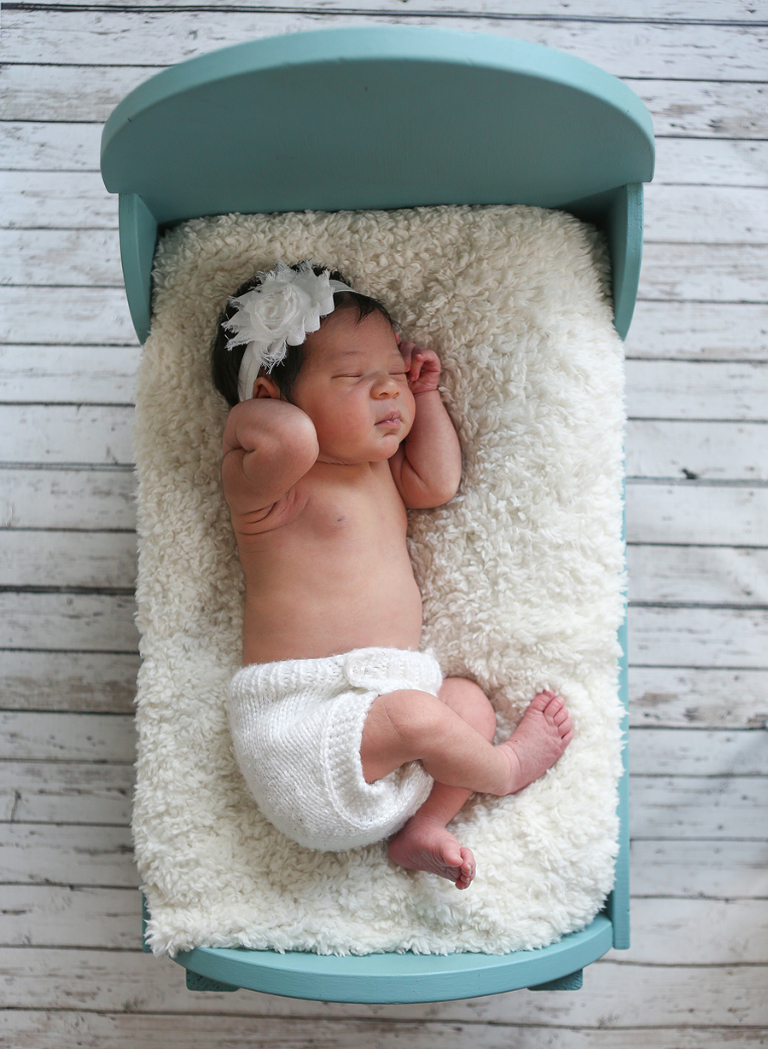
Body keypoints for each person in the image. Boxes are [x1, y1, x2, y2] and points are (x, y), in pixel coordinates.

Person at [212, 261, 573, 889]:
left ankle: (424, 828)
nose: (388, 391)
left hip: (391, 737)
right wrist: (258, 405)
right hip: (304, 731)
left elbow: (438, 482)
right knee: (418, 715)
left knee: (465, 703)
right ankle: (507, 769)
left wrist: (424, 397)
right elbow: (290, 436)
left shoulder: (378, 472)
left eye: (394, 373)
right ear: (269, 402)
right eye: (355, 375)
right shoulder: (268, 487)